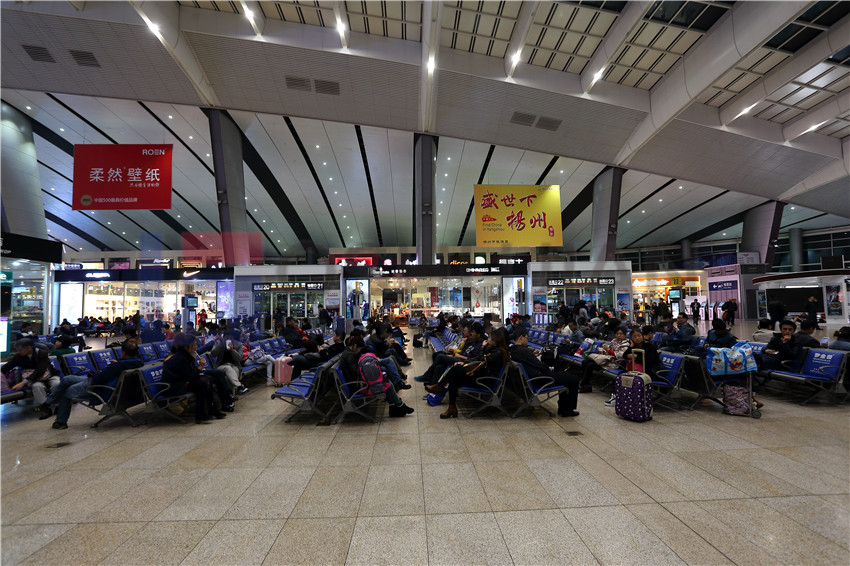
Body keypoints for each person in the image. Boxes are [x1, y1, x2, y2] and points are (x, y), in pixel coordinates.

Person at [41, 340, 143, 429]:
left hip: (95, 386)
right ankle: (47, 403)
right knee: (66, 379)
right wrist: (115, 364)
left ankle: (61, 422)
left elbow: (99, 378)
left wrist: (100, 371)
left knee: (66, 392)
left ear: (123, 352)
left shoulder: (118, 366)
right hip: (102, 383)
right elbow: (118, 369)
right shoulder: (138, 363)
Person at [432, 326, 511, 419]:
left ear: (495, 341)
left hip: (485, 381)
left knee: (454, 372)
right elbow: (478, 359)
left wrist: (482, 347)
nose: (487, 339)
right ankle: (451, 407)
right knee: (454, 374)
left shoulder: (498, 353)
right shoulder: (493, 349)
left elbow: (482, 360)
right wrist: (464, 362)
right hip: (481, 376)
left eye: (489, 338)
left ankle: (440, 387)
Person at [511, 327, 579, 417]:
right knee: (573, 379)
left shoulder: (514, 350)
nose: (527, 340)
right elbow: (541, 366)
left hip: (533, 378)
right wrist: (548, 368)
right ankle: (567, 410)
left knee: (565, 377)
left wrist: (533, 356)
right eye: (526, 338)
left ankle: (564, 408)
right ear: (521, 337)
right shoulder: (524, 350)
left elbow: (530, 361)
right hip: (541, 379)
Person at [339, 335, 413, 417]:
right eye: (359, 349)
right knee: (386, 382)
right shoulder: (349, 355)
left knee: (385, 377)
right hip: (358, 386)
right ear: (355, 346)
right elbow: (356, 372)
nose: (359, 351)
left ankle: (395, 406)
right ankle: (399, 405)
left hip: (358, 382)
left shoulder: (348, 353)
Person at [163, 333, 226, 424]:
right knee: (202, 384)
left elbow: (191, 375)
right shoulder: (180, 358)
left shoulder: (186, 356)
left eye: (196, 344)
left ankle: (212, 409)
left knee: (206, 381)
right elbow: (191, 377)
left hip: (182, 381)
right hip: (173, 386)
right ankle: (200, 415)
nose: (196, 347)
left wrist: (199, 370)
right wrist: (200, 367)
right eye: (194, 345)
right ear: (186, 346)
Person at [605, 328, 662, 407]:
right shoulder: (634, 346)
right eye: (634, 337)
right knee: (622, 375)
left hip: (651, 371)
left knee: (628, 376)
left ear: (642, 336)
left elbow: (651, 360)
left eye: (639, 336)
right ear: (631, 339)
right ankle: (620, 398)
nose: (637, 338)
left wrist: (636, 357)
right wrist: (631, 346)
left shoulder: (650, 346)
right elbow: (625, 356)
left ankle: (622, 399)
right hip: (639, 370)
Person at [1, 339, 61, 411]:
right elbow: (8, 366)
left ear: (29, 348)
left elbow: (40, 371)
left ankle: (58, 405)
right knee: (37, 386)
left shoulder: (42, 353)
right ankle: (45, 408)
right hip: (34, 379)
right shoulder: (18, 356)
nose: (19, 352)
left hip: (49, 375)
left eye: (20, 350)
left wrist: (23, 383)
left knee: (56, 384)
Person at [577, 327, 628, 393]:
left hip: (614, 363)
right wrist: (603, 350)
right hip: (606, 360)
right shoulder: (614, 341)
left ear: (625, 335)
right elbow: (607, 351)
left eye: (621, 334)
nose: (618, 335)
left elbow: (620, 356)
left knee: (590, 365)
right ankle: (586, 385)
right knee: (585, 362)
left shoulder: (625, 344)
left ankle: (583, 384)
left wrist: (608, 350)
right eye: (617, 334)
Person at [211, 330, 248, 395]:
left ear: (233, 338)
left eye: (230, 338)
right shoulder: (219, 343)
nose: (229, 339)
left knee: (231, 375)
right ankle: (239, 386)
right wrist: (221, 344)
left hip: (234, 365)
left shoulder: (238, 344)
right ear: (224, 337)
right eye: (227, 337)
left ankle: (232, 397)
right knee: (228, 368)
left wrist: (232, 350)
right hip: (221, 366)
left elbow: (239, 358)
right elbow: (213, 354)